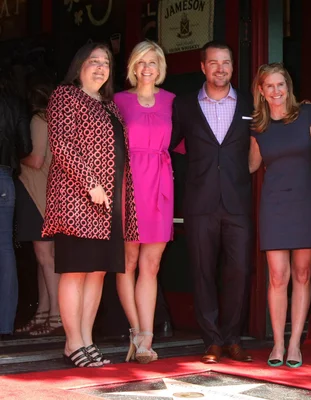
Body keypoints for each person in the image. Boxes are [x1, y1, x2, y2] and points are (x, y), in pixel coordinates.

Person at [43, 42, 139, 367]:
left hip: (108, 203)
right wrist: (91, 183)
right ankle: (73, 343)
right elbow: (61, 145)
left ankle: (86, 338)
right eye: (93, 61)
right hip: (77, 200)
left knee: (97, 273)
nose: (100, 67)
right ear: (79, 65)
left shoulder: (109, 105)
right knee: (75, 271)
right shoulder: (65, 96)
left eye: (106, 63)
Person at [170, 41, 253, 364]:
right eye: (214, 63)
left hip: (238, 202)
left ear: (233, 67)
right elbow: (168, 146)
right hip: (199, 201)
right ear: (203, 67)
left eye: (226, 63)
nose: (221, 69)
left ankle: (233, 338)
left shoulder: (248, 102)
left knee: (239, 271)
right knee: (202, 271)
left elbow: (263, 141)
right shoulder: (185, 105)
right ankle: (211, 341)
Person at [248, 63, 311, 368]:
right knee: (278, 276)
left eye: (281, 85)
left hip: (305, 201)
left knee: (302, 275)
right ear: (261, 91)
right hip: (274, 205)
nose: (276, 91)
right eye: (270, 86)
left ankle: (294, 344)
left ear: (288, 87)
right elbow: (250, 166)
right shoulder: (257, 126)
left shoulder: (307, 115)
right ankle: (277, 343)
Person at [114, 40, 175, 364]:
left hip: (160, 183)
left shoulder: (171, 101)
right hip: (129, 182)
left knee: (151, 264)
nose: (147, 68)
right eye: (141, 62)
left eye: (153, 62)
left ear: (160, 67)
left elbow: (186, 141)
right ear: (133, 67)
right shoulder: (119, 101)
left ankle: (147, 338)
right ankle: (137, 332)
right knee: (128, 260)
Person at [14, 82, 62, 337]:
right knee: (45, 257)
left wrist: (13, 155)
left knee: (45, 257)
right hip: (47, 195)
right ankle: (44, 313)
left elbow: (35, 160)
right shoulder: (54, 119)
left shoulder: (38, 119)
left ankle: (55, 315)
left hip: (36, 193)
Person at [0, 65, 31, 338]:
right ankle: (5, 324)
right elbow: (26, 147)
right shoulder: (14, 103)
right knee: (5, 250)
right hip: (4, 177)